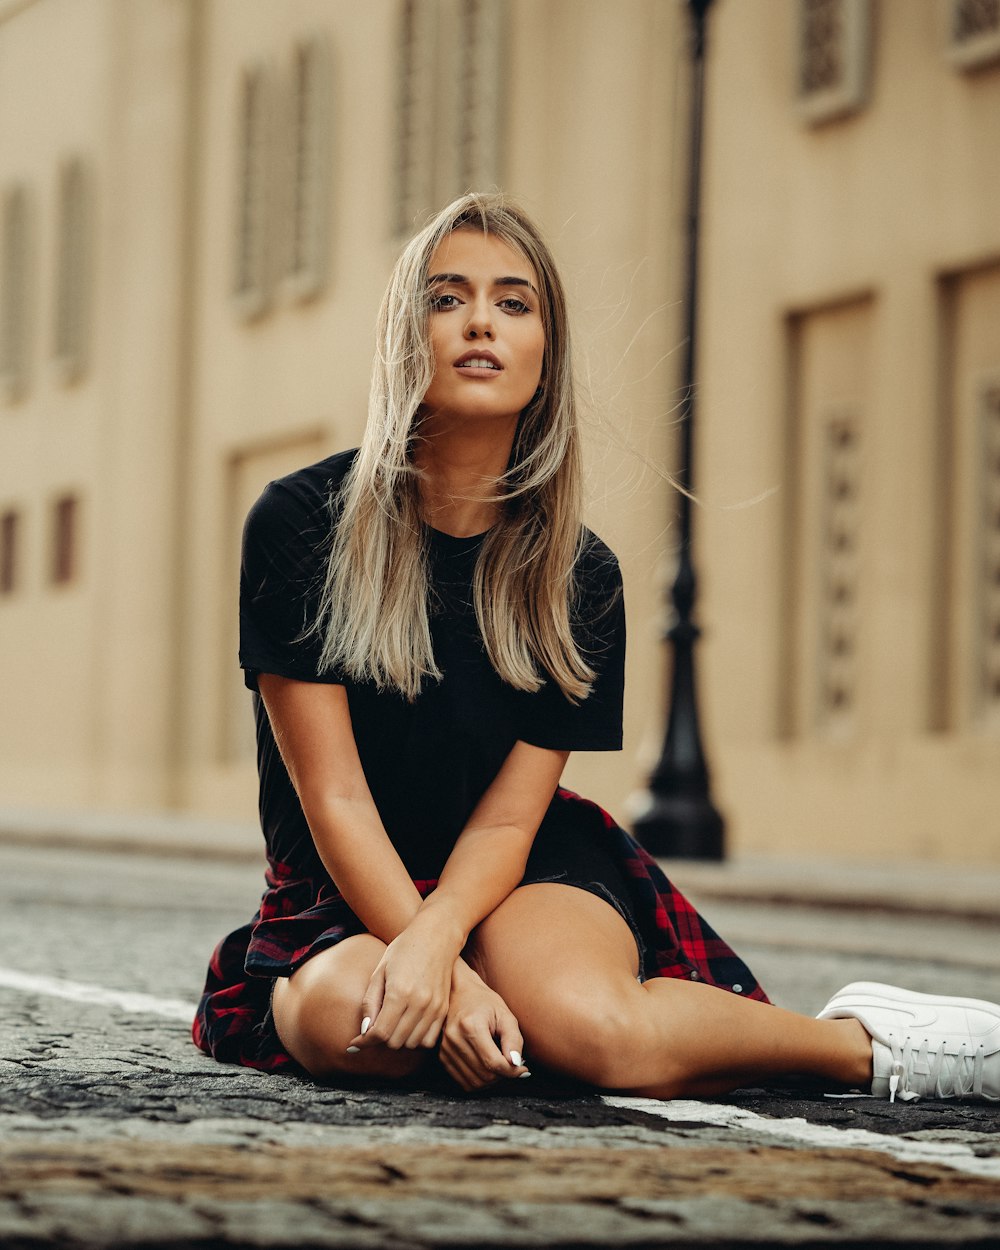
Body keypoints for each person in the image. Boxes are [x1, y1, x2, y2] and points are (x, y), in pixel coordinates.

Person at [193, 192, 999, 1104]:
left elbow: (506, 820)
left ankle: (868, 1046)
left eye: (513, 301)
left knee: (597, 1038)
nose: (479, 323)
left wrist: (440, 944)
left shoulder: (577, 576)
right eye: (446, 297)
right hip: (343, 889)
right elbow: (335, 797)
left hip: (516, 860)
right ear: (403, 336)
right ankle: (489, 995)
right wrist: (442, 972)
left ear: (545, 352)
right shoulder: (302, 526)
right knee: (372, 1030)